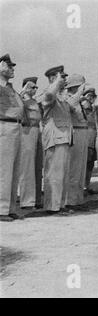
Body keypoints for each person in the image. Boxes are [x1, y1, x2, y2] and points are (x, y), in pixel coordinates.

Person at [37, 65, 72, 213]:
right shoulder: (49, 93)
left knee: (63, 174)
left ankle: (60, 205)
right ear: (53, 78)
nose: (64, 80)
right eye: (62, 77)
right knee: (54, 173)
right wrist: (56, 82)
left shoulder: (62, 97)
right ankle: (52, 206)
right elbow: (50, 94)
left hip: (64, 137)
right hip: (54, 137)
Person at [0, 54, 24, 221]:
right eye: (9, 67)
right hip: (5, 126)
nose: (12, 69)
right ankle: (1, 210)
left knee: (14, 170)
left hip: (16, 127)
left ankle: (9, 208)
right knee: (5, 170)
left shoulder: (10, 88)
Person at [65, 74, 89, 209]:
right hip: (75, 132)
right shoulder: (69, 99)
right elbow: (70, 107)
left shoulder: (79, 100)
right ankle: (71, 200)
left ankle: (78, 198)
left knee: (80, 168)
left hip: (83, 132)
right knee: (74, 168)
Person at [19, 76, 43, 210]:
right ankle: (26, 201)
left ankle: (37, 199)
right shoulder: (21, 99)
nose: (34, 89)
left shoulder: (35, 101)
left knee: (37, 166)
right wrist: (23, 91)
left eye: (36, 87)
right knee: (27, 167)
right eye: (32, 87)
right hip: (26, 131)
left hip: (37, 131)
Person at [81, 88, 98, 194]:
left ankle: (87, 186)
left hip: (93, 141)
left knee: (90, 165)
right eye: (89, 96)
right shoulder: (83, 109)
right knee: (84, 164)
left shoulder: (93, 110)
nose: (91, 98)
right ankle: (82, 187)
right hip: (85, 141)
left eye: (92, 96)